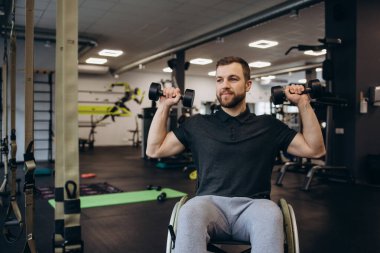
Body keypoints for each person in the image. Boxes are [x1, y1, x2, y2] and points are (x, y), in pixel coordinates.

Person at [146, 56, 325, 253]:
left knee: (271, 214)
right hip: (209, 204)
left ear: (248, 85)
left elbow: (315, 150)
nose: (225, 85)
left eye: (232, 79)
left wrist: (303, 103)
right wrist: (163, 106)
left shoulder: (268, 125)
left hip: (254, 205)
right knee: (190, 211)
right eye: (219, 79)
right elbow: (155, 150)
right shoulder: (197, 125)